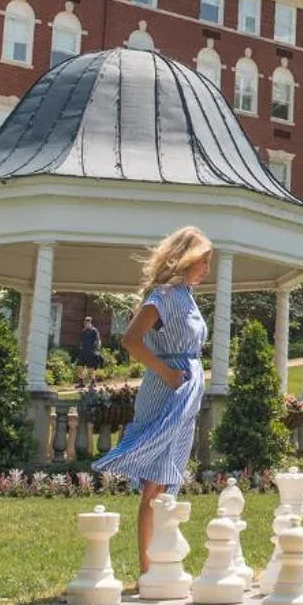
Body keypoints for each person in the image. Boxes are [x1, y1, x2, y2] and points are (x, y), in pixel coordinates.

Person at [94, 227, 212, 580]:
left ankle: (162, 559)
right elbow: (131, 340)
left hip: (186, 393)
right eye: (204, 262)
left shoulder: (187, 296)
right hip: (166, 391)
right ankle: (148, 569)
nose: (207, 269)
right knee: (156, 480)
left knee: (169, 477)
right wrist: (168, 373)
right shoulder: (163, 296)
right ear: (186, 260)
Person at [75, 315, 104, 381]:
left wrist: (98, 350)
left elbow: (98, 340)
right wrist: (80, 349)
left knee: (90, 368)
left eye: (86, 322)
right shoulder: (83, 331)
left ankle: (93, 382)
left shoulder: (94, 331)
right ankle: (81, 382)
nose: (85, 324)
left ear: (90, 322)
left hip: (91, 351)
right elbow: (81, 341)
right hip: (83, 352)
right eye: (84, 322)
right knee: (79, 366)